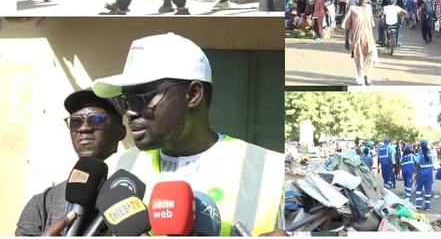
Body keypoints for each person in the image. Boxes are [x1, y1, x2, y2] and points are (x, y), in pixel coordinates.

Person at [91, 33, 286, 235]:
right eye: (125, 102)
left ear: (193, 94)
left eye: (142, 98)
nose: (130, 112)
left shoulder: (270, 169)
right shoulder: (123, 168)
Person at [15, 90, 126, 236]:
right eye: (75, 121)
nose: (84, 128)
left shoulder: (135, 191)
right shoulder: (42, 203)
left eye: (96, 119)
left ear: (120, 132)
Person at [343, 0, 378, 86]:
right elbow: (348, 25)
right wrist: (346, 40)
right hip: (356, 37)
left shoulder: (369, 8)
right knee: (358, 60)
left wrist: (372, 37)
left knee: (371, 57)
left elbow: (371, 23)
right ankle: (360, 80)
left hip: (368, 36)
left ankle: (366, 74)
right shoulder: (353, 9)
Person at [414, 140, 435, 211]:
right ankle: (427, 206)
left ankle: (418, 205)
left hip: (421, 174)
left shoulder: (419, 154)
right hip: (429, 174)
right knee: (428, 190)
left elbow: (417, 164)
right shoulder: (430, 153)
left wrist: (415, 173)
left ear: (420, 146)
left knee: (418, 189)